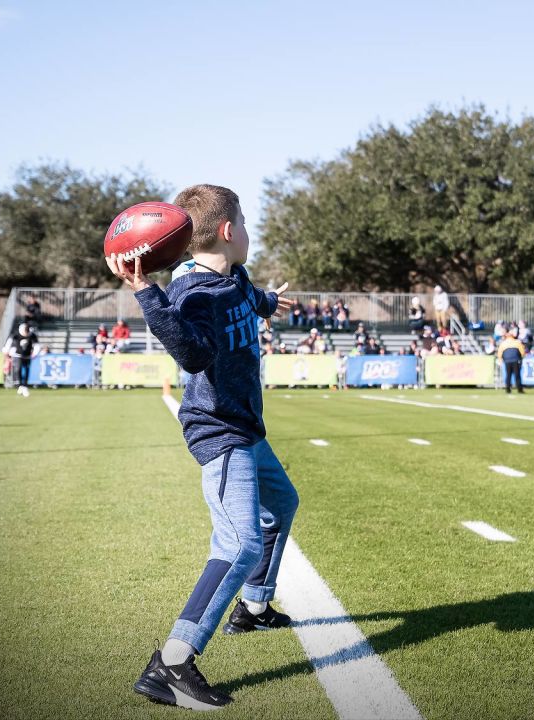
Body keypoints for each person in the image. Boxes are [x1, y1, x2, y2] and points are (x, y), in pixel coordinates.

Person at [107, 184, 300, 710]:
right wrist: (146, 291)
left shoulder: (230, 277)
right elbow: (192, 354)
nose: (248, 231)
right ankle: (172, 663)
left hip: (246, 426)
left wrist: (269, 303)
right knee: (239, 545)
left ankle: (254, 609)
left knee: (282, 504)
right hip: (219, 431)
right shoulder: (193, 293)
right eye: (246, 221)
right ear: (229, 230)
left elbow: (247, 294)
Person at [2, 322, 42, 397]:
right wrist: (6, 352)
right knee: (18, 369)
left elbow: (37, 345)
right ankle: (20, 385)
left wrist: (35, 353)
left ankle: (25, 385)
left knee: (27, 369)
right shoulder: (16, 334)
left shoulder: (32, 335)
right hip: (17, 355)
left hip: (27, 355)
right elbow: (8, 344)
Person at [497, 329, 526, 394]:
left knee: (508, 375)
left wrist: (500, 359)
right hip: (516, 360)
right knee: (517, 375)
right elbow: (522, 352)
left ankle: (508, 389)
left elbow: (499, 353)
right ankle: (519, 389)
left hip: (507, 361)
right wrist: (522, 358)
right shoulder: (517, 342)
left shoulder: (503, 343)